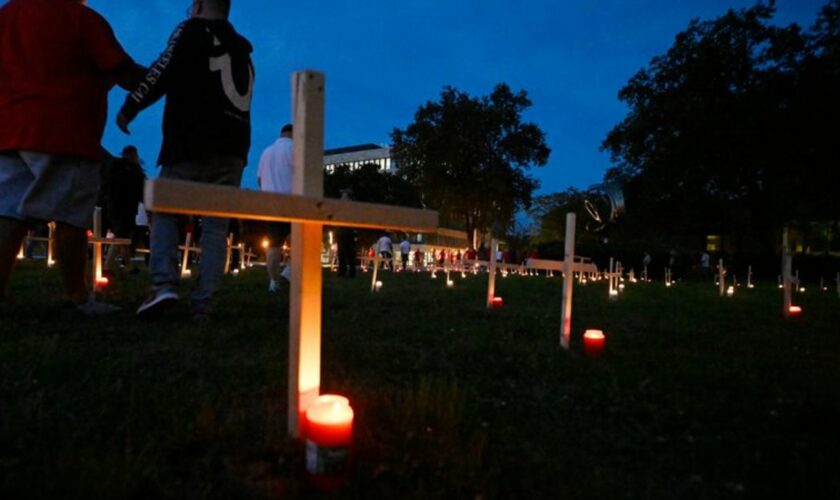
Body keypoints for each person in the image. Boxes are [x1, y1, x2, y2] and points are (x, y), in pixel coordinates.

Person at [0, 0, 144, 316]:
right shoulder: (82, 19)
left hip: (10, 130)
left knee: (9, 212)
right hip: (67, 132)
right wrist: (164, 79)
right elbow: (122, 70)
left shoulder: (9, 14)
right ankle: (76, 295)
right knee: (71, 217)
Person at [118, 0, 255, 318]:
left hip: (191, 141)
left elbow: (162, 70)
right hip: (234, 149)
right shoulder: (243, 51)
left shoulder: (191, 31)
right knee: (216, 227)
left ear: (198, 5)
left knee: (164, 209)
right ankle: (205, 303)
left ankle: (163, 285)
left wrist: (131, 106)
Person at [257, 124, 292, 292]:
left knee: (274, 244)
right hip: (293, 202)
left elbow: (259, 179)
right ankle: (289, 272)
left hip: (271, 204)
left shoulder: (266, 152)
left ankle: (273, 282)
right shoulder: (295, 149)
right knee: (302, 241)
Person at [103, 146, 146, 276]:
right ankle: (107, 267)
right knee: (121, 237)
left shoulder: (113, 169)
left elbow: (106, 186)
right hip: (127, 208)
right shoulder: (135, 171)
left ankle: (129, 265)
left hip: (113, 207)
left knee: (122, 236)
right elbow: (140, 191)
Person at [336, 190, 356, 278]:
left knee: (349, 253)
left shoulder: (350, 207)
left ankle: (351, 272)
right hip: (341, 232)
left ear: (348, 198)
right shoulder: (340, 207)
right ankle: (342, 271)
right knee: (341, 253)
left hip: (348, 233)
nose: (341, 198)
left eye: (343, 197)